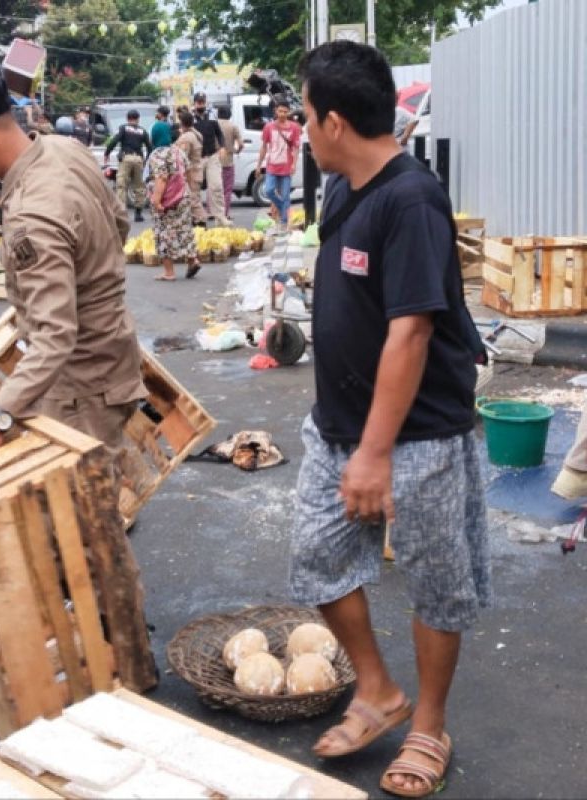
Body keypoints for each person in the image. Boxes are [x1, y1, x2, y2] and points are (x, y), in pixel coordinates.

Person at [290, 41, 489, 798]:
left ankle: (429, 726)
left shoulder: (412, 200)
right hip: (337, 423)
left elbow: (411, 331)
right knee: (314, 553)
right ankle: (376, 688)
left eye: (306, 117)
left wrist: (374, 454)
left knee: (438, 585)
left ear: (335, 122)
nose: (303, 130)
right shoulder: (342, 186)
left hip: (418, 437)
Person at [0, 68, 147, 473]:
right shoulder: (65, 149)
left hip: (80, 390)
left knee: (79, 525)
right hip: (113, 362)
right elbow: (119, 222)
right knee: (93, 506)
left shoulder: (33, 213)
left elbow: (55, 335)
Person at [147, 136, 199, 281]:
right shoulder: (178, 151)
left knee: (163, 232)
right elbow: (188, 173)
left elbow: (161, 178)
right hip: (183, 196)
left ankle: (169, 272)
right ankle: (192, 260)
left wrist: (157, 201)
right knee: (184, 229)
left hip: (168, 200)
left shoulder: (158, 154)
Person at [257, 98, 302, 233]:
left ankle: (284, 223)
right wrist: (259, 165)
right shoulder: (269, 127)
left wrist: (294, 164)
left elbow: (296, 147)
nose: (282, 114)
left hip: (286, 167)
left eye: (285, 111)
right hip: (272, 166)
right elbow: (264, 147)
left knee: (286, 195)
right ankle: (284, 209)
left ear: (288, 112)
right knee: (269, 190)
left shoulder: (294, 128)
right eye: (280, 111)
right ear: (275, 111)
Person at [103, 110, 151, 222]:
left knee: (122, 185)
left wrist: (107, 153)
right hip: (138, 159)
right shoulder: (143, 131)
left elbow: (114, 141)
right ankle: (138, 213)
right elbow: (149, 147)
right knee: (139, 186)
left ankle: (121, 212)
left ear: (127, 118)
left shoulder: (123, 128)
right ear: (138, 118)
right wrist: (146, 160)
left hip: (126, 158)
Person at [192, 93, 231, 227]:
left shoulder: (212, 116)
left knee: (217, 186)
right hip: (196, 158)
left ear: (206, 102)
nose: (201, 104)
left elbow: (219, 133)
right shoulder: (190, 118)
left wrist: (223, 147)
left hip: (212, 156)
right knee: (194, 189)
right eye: (198, 102)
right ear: (195, 103)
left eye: (203, 102)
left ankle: (220, 217)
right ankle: (197, 217)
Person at [177, 109, 206, 226]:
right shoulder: (196, 134)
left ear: (182, 123)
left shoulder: (187, 137)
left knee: (193, 200)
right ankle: (198, 223)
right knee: (194, 199)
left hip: (191, 173)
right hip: (197, 170)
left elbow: (181, 156)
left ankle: (200, 222)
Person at [216, 106, 243, 221]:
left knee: (215, 188)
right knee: (227, 189)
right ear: (229, 114)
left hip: (214, 160)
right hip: (228, 160)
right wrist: (237, 151)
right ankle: (224, 213)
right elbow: (241, 144)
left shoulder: (214, 124)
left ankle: (213, 213)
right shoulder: (233, 126)